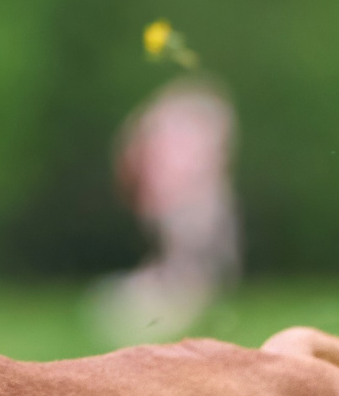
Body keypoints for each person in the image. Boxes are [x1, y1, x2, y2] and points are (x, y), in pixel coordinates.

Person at [95, 75, 240, 342]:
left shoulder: (153, 122)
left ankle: (176, 311)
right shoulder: (186, 121)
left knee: (191, 264)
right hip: (182, 200)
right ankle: (164, 311)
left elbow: (130, 157)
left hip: (175, 200)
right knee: (192, 265)